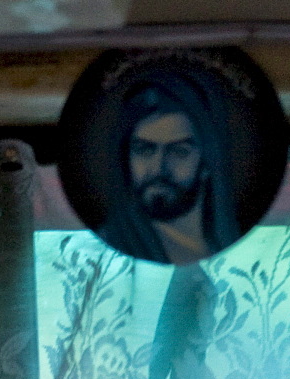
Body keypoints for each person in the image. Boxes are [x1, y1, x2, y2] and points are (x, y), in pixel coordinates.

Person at [100, 74, 241, 265]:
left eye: (179, 151)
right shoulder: (104, 251)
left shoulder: (234, 249)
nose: (159, 168)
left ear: (207, 162)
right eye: (144, 149)